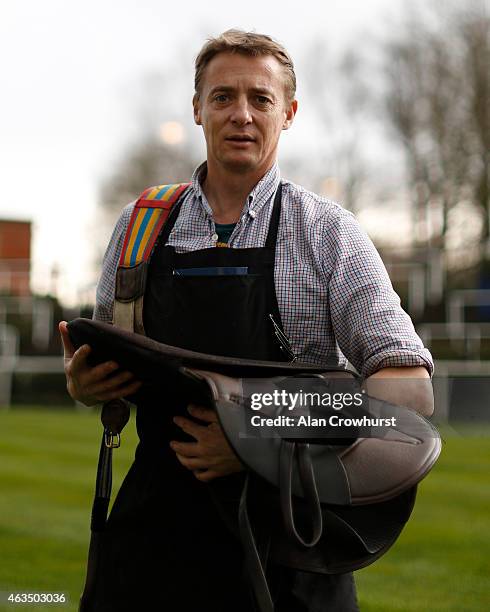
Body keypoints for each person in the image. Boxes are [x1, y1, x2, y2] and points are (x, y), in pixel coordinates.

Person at [59, 30, 434, 612]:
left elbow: (408, 390)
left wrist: (254, 439)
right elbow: (117, 364)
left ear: (288, 113)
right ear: (197, 109)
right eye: (222, 97)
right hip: (153, 538)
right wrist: (84, 385)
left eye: (260, 99)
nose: (241, 115)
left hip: (286, 535)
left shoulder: (328, 234)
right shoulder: (141, 225)